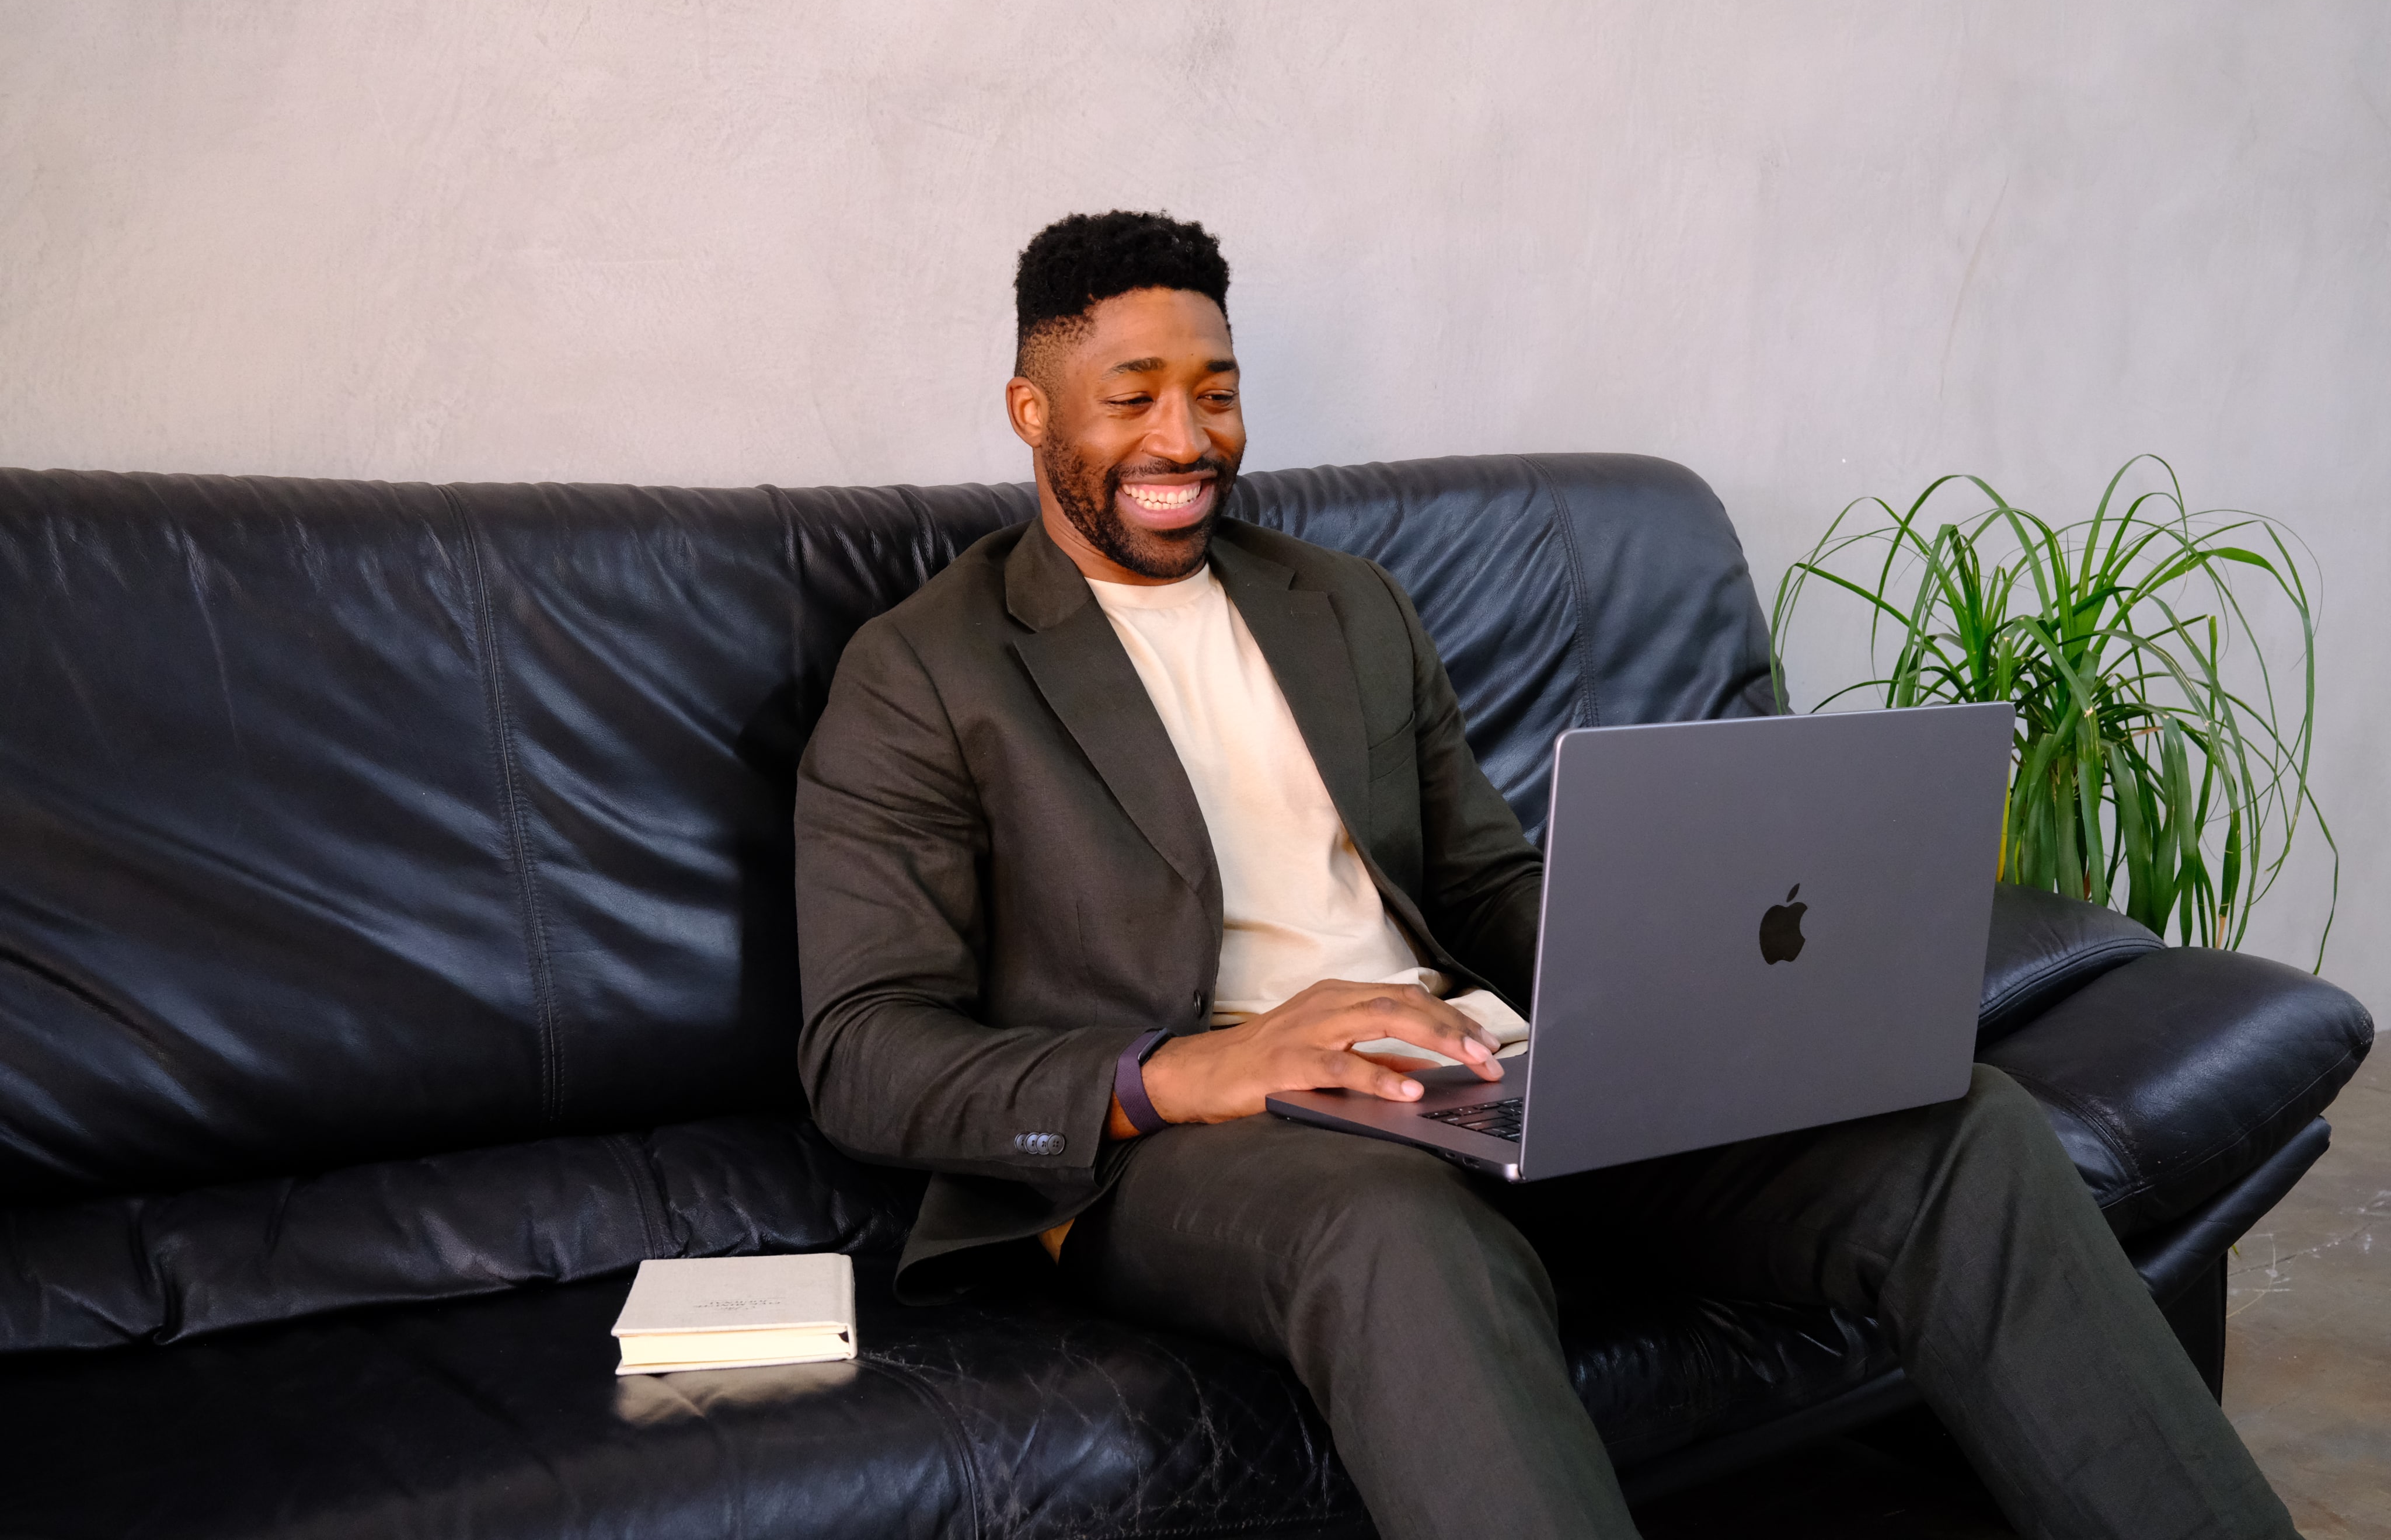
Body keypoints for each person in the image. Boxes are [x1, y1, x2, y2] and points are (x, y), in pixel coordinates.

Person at [793, 210, 2295, 1539]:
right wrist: (1191, 1068)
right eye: (1131, 399)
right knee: (1398, 1236)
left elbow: (1490, 881)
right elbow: (862, 1050)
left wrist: (1658, 998)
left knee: (1957, 1130)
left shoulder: (1344, 607)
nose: (1184, 438)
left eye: (1216, 390)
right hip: (1190, 1150)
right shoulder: (927, 669)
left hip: (1478, 1073)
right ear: (1028, 408)